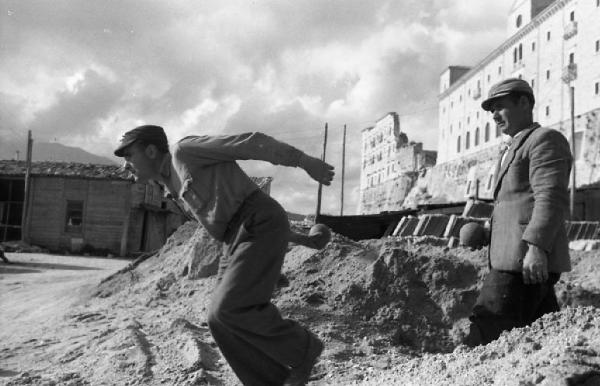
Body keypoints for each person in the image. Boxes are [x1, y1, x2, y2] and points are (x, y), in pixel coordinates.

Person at [114, 126, 334, 385]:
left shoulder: (184, 153)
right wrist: (284, 248)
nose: (126, 165)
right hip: (235, 238)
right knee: (218, 320)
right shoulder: (168, 185)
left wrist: (304, 161)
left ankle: (304, 349)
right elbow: (223, 219)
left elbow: (251, 142)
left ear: (151, 151)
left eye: (129, 156)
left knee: (229, 308)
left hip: (256, 222)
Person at [464, 78, 572, 346]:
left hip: (523, 260)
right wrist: (488, 231)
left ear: (524, 103)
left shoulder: (544, 140)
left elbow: (551, 197)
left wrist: (536, 247)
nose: (495, 117)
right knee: (543, 338)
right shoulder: (513, 147)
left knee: (485, 330)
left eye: (500, 107)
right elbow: (514, 204)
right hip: (516, 259)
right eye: (491, 112)